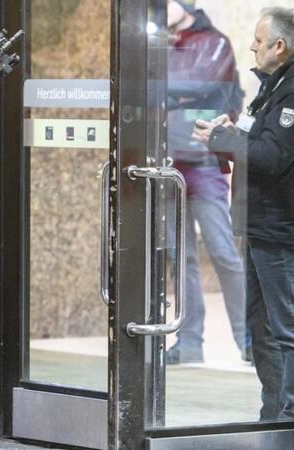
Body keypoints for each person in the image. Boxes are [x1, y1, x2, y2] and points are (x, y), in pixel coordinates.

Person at [192, 7, 294, 420]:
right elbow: (258, 138)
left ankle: (288, 416)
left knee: (284, 329)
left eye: (258, 39)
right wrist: (229, 132)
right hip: (259, 226)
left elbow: (271, 157)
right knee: (263, 329)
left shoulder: (292, 92)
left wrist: (223, 138)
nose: (252, 45)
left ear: (280, 46)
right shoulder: (272, 86)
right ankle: (273, 412)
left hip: (279, 232)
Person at [164, 0, 247, 364]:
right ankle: (189, 343)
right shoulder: (157, 43)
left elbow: (195, 84)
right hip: (167, 163)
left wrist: (163, 89)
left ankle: (249, 341)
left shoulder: (214, 42)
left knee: (224, 254)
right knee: (180, 258)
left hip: (205, 163)